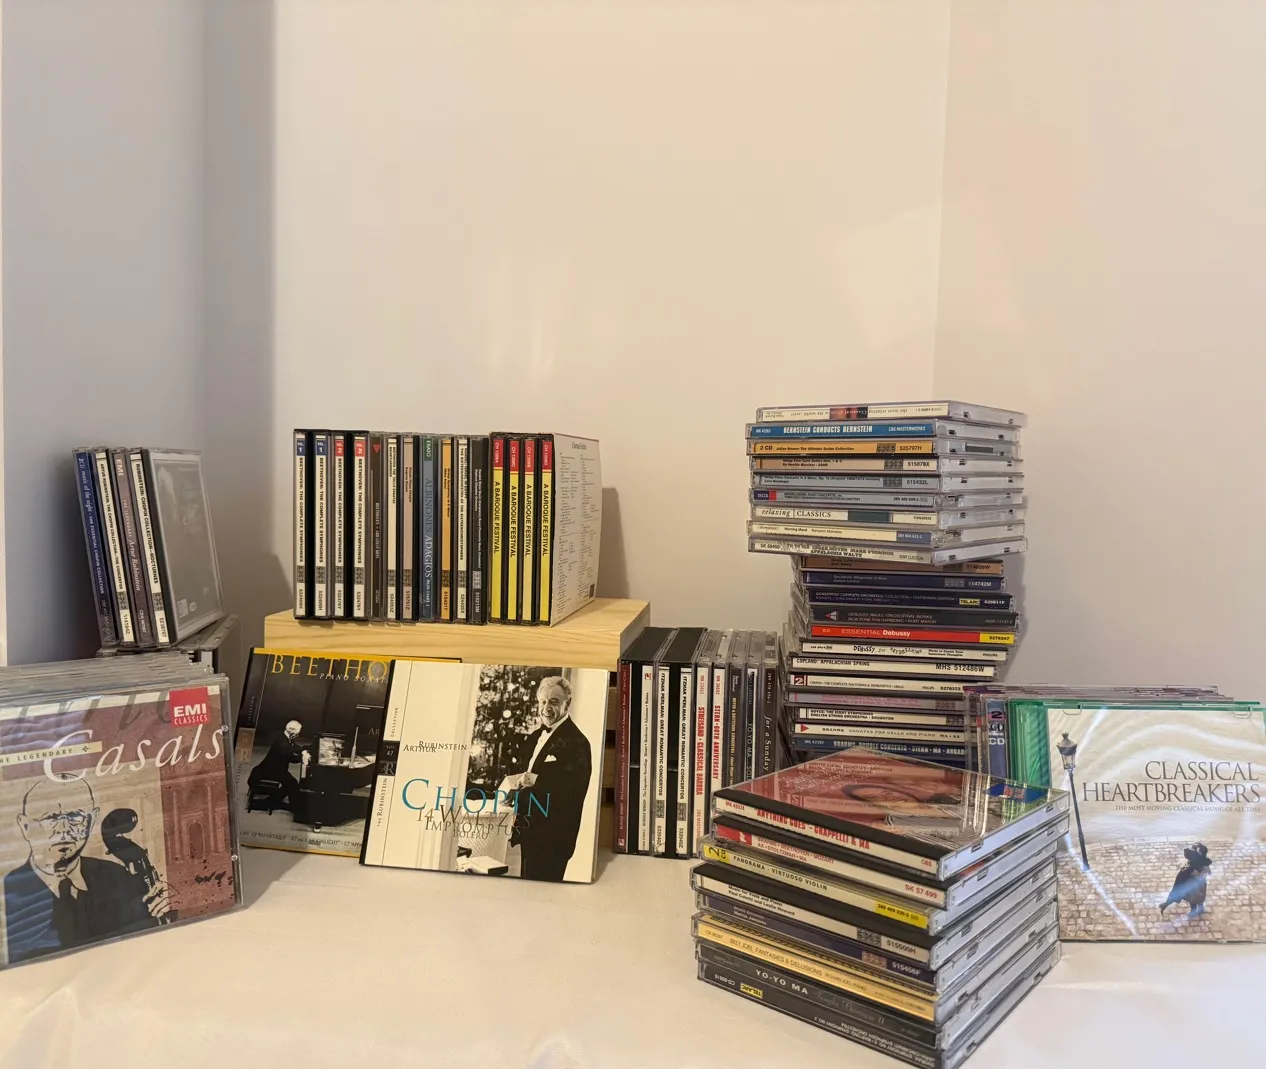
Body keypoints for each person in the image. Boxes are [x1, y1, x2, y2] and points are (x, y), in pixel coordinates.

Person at [4, 777, 169, 964]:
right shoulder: (8, 892)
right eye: (51, 818)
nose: (64, 830)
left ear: (91, 821)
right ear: (26, 827)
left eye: (75, 816)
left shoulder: (117, 876)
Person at [502, 677, 592, 881]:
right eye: (543, 702)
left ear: (567, 703)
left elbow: (575, 789)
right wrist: (517, 791)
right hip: (529, 830)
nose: (546, 708)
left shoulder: (578, 742)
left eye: (554, 702)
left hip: (553, 838)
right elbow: (527, 775)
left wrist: (537, 779)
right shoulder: (535, 736)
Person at [248, 719, 309, 815]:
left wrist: (303, 750)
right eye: (297, 734)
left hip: (273, 769)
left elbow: (293, 746)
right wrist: (303, 757)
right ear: (292, 734)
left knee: (289, 784)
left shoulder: (284, 736)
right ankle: (295, 808)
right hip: (269, 772)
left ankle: (283, 803)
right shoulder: (282, 743)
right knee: (292, 783)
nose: (297, 736)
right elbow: (291, 756)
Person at [1160, 842, 1213, 918]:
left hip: (1197, 885)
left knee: (1197, 899)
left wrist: (1196, 874)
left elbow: (1203, 874)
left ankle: (1198, 910)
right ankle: (1195, 910)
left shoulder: (1199, 864)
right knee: (1195, 899)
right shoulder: (1198, 862)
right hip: (1196, 885)